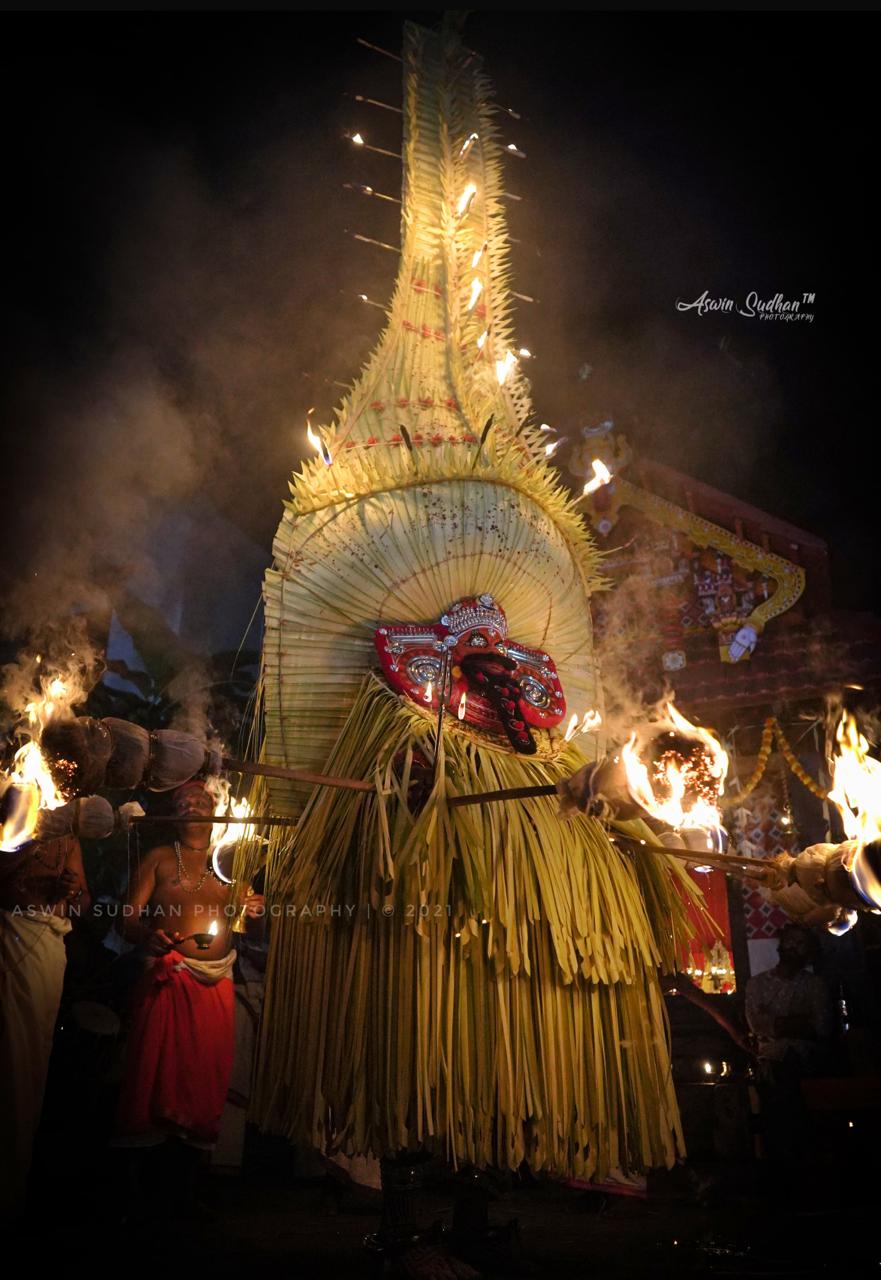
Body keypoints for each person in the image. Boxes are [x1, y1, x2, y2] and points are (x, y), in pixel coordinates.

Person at [115, 780, 262, 1206]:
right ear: (174, 814)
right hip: (167, 977)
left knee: (203, 1076)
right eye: (182, 800)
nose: (191, 803)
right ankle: (138, 1194)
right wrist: (148, 934)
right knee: (152, 1074)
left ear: (216, 807)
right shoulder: (160, 859)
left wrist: (255, 911)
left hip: (216, 981)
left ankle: (189, 1192)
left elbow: (250, 927)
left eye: (199, 798)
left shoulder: (231, 863)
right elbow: (125, 920)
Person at [0, 832, 90, 1220]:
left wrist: (73, 890)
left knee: (30, 1062)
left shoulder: (69, 839)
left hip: (47, 947)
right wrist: (29, 841)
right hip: (8, 938)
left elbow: (85, 905)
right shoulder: (11, 822)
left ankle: (13, 1189)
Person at [745, 924, 833, 1164]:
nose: (794, 947)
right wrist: (799, 1022)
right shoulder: (757, 985)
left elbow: (821, 1028)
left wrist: (778, 1023)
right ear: (781, 944)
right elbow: (757, 1024)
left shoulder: (815, 985)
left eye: (801, 943)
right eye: (790, 941)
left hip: (808, 1064)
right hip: (772, 1064)